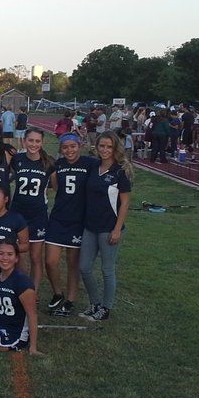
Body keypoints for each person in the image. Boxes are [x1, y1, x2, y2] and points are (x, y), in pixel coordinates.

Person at [79, 130, 132, 321]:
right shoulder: (93, 167)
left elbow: (125, 203)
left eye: (109, 146)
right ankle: (95, 303)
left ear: (115, 147)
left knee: (107, 270)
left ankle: (106, 308)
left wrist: (117, 228)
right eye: (102, 146)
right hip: (90, 226)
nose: (105, 150)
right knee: (84, 267)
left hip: (109, 227)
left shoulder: (120, 171)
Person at [45, 133, 95, 316]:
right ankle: (58, 293)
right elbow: (56, 187)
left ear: (79, 146)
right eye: (65, 147)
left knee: (73, 263)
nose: (69, 150)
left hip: (78, 220)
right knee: (50, 261)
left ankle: (70, 300)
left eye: (72, 146)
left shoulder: (90, 163)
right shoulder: (58, 165)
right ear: (61, 149)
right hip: (58, 218)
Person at [10, 128, 55, 293]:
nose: (34, 144)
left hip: (38, 215)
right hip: (18, 213)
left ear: (42, 143)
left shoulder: (48, 162)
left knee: (35, 257)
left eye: (37, 141)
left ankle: (33, 292)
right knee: (19, 256)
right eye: (31, 140)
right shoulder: (17, 159)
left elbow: (55, 186)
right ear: (24, 141)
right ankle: (22, 289)